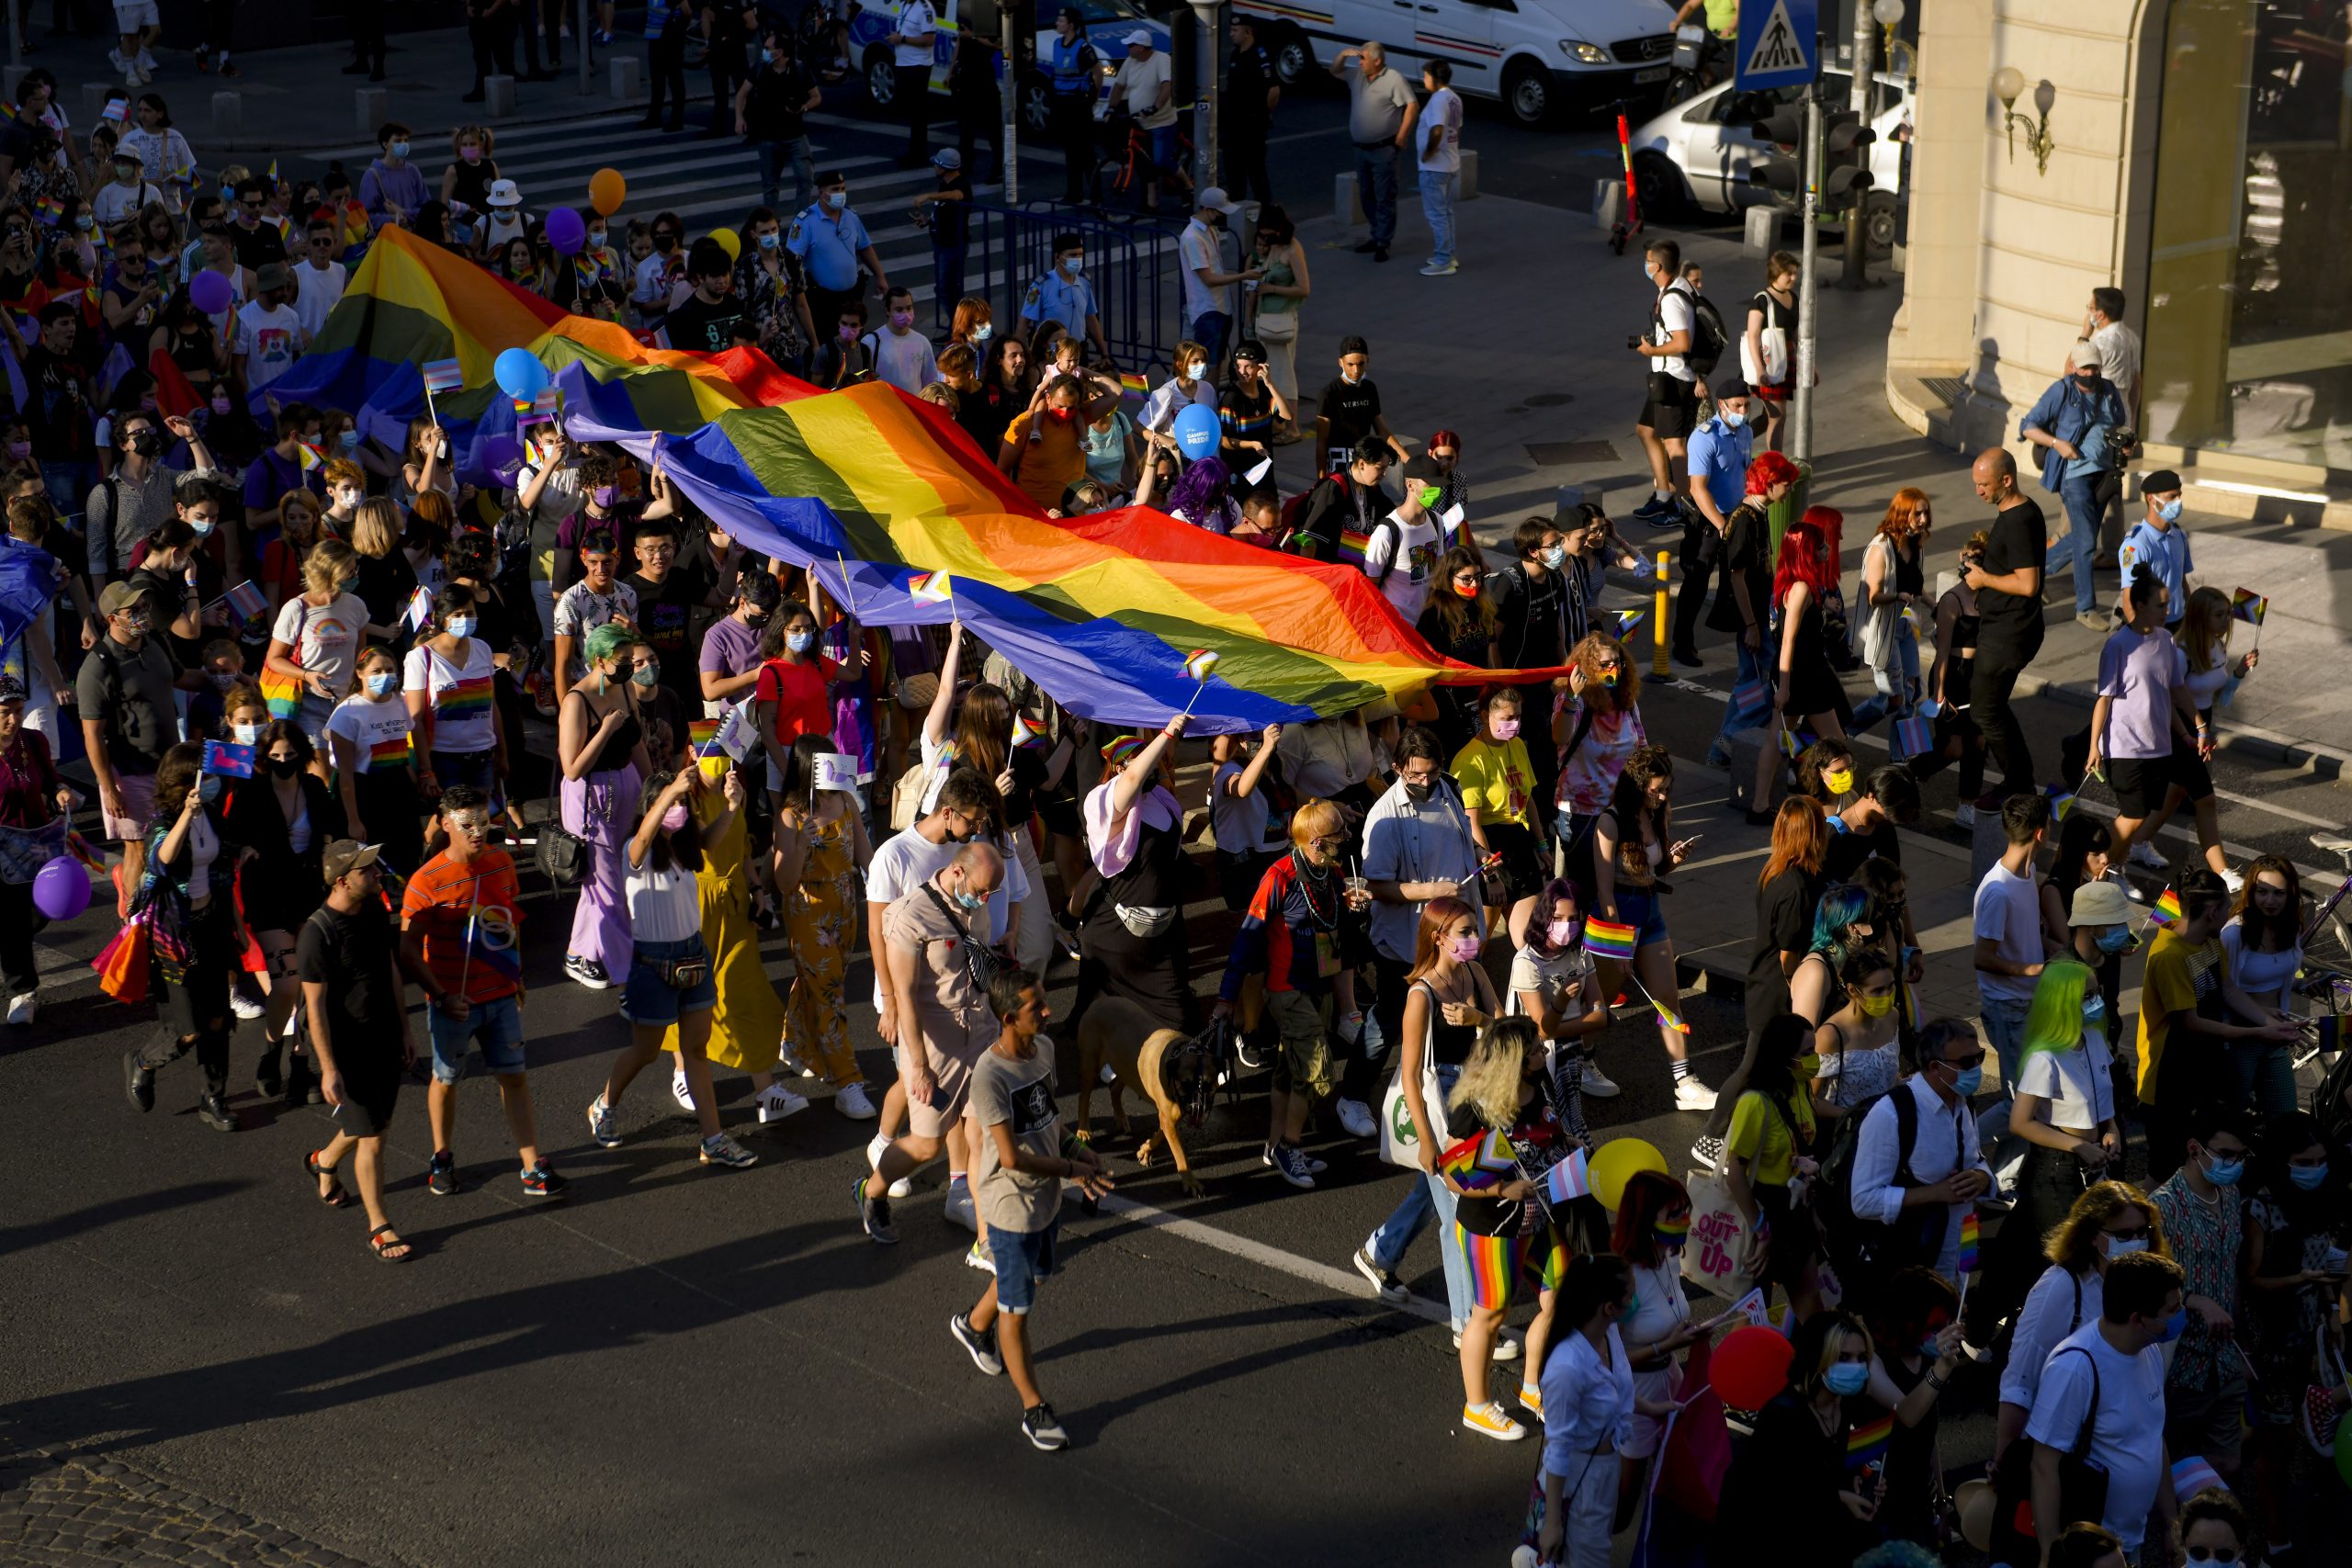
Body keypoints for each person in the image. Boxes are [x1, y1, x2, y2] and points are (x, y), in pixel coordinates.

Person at [948, 968, 1112, 1452]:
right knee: (1016, 1313)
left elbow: (1047, 1119)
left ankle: (973, 1325)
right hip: (1011, 1210)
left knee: (1031, 1281)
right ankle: (1033, 1409)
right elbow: (1012, 1157)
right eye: (1035, 1007)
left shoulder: (1043, 1050)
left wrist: (1077, 1150)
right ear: (1007, 1019)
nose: (1047, 1011)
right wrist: (1071, 1169)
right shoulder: (989, 1077)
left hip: (1046, 1201)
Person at [584, 767, 759, 1170]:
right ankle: (604, 1105)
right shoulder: (635, 852)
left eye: (683, 802)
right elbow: (643, 838)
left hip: (693, 956)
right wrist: (671, 792)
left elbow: (710, 839)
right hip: (652, 964)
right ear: (651, 805)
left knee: (696, 1051)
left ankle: (713, 1140)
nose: (679, 808)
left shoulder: (684, 850)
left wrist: (732, 806)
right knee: (645, 1051)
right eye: (671, 802)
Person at [400, 785, 563, 1199]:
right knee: (446, 1079)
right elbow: (408, 950)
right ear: (445, 823)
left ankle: (531, 1165)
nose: (478, 831)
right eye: (467, 824)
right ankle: (441, 1158)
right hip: (453, 1003)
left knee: (514, 1077)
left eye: (483, 821)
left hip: (500, 994)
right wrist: (441, 996)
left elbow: (507, 922)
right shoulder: (425, 882)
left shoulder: (502, 863)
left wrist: (517, 974)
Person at [1215, 797, 1370, 1189]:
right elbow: (1246, 940)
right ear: (1317, 842)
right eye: (1339, 834)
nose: (1346, 838)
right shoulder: (1279, 878)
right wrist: (1226, 999)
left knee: (1289, 1070)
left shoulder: (1331, 872)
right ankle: (1290, 1145)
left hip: (1319, 986)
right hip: (1288, 991)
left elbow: (1334, 923)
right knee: (1317, 1072)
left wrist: (1351, 907)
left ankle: (1274, 1145)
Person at [858, 842, 1007, 1244]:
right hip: (935, 1045)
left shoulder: (978, 902)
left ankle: (987, 1242)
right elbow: (905, 998)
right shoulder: (908, 917)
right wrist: (919, 1066)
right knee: (927, 1145)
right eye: (981, 891)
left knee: (982, 1137)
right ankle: (872, 1190)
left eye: (991, 893)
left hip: (981, 1033)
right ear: (957, 872)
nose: (985, 900)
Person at [1439, 1016, 1575, 1441]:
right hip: (1492, 1227)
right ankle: (1477, 1406)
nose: (1543, 1052)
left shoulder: (1538, 1084)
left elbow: (1546, 1128)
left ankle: (1532, 1387)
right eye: (1534, 1050)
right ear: (1513, 1061)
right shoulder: (1475, 1109)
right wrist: (1501, 1188)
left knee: (1562, 1294)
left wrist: (1566, 1144)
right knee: (1491, 1313)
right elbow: (1451, 1174)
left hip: (1538, 1215)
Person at [296, 840, 417, 1262]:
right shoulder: (316, 934)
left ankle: (324, 1161)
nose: (377, 874)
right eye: (367, 870)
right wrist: (328, 1068)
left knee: (376, 1121)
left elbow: (390, 969)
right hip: (349, 1048)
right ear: (342, 881)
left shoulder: (374, 911)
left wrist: (405, 1029)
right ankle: (379, 1226)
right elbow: (314, 1007)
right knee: (374, 1138)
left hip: (385, 1035)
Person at [1991, 1180, 2168, 1470]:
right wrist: (2003, 1459)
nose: (2137, 1241)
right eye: (2124, 1235)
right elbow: (2020, 1382)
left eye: (2142, 1232)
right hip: (2070, 1458)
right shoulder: (2061, 1287)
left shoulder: (2144, 1285)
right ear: (2092, 1236)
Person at [2136, 868, 2299, 1181]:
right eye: (2227, 907)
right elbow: (2191, 1023)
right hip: (2168, 1080)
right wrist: (2259, 1032)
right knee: (2164, 1170)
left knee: (2200, 1161)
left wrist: (2270, 1021)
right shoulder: (2169, 955)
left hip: (2202, 1070)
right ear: (2212, 912)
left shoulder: (2208, 942)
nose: (2231, 914)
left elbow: (2229, 989)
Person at [2022, 1249, 2185, 1562]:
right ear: (2137, 1319)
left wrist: (2171, 1523)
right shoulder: (2074, 1368)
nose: (2181, 1315)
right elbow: (2043, 1467)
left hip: (2131, 1544)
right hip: (2091, 1556)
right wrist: (2049, 1554)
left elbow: (2153, 1438)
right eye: (2172, 1309)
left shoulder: (2149, 1348)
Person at [120, 742, 243, 1133]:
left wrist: (238, 928)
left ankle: (214, 1097)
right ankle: (143, 1061)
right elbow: (162, 859)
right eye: (205, 778)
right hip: (175, 935)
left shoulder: (213, 817)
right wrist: (187, 816)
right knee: (188, 1028)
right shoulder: (161, 821)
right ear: (183, 783)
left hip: (213, 925)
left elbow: (223, 872)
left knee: (218, 1018)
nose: (212, 784)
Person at [222, 718, 343, 1101]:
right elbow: (230, 835)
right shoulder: (252, 792)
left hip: (309, 892)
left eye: (290, 755)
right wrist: (243, 849)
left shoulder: (314, 788)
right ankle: (272, 1049)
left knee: (311, 985)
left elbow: (332, 827)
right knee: (287, 984)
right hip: (268, 894)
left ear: (302, 755)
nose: (283, 761)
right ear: (265, 757)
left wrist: (329, 846)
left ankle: (301, 1061)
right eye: (275, 756)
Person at [2243, 1112, 2350, 1543]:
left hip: (2309, 1338)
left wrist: (2331, 1310)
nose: (2315, 1169)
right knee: (2279, 1442)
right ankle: (2273, 1534)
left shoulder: (2322, 1201)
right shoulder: (2261, 1208)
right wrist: (2298, 1280)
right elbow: (2251, 1281)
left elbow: (2324, 1267)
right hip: (2272, 1341)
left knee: (2302, 1437)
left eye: (2320, 1161)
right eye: (2304, 1162)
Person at [1713, 1311, 1894, 1566]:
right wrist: (1838, 1498)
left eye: (1861, 1358)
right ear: (1817, 1357)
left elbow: (1822, 1473)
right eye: (1843, 1357)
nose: (1855, 1367)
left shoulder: (1843, 1403)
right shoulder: (1782, 1417)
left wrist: (1857, 1481)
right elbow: (1776, 1497)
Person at [1529, 1254, 1677, 1565]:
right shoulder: (1566, 1368)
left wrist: (1655, 1408)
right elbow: (1558, 1448)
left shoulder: (1607, 1334)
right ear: (1609, 1307)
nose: (1635, 1301)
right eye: (1631, 1296)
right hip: (1579, 1485)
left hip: (1606, 1471)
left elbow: (1618, 1390)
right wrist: (1553, 1523)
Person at [1589, 743, 1709, 1108]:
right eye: (1656, 789)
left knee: (1668, 999)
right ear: (1637, 785)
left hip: (1649, 911)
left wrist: (1673, 860)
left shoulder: (1658, 814)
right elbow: (1604, 889)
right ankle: (1580, 1062)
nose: (1662, 796)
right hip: (1614, 918)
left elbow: (1654, 870)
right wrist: (1618, 947)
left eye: (1666, 789)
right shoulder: (1610, 821)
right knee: (1600, 1003)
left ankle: (1684, 1081)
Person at [771, 733, 875, 1115]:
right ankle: (847, 1083)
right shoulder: (790, 817)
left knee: (821, 984)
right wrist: (800, 845)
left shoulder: (844, 800)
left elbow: (865, 854)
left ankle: (795, 1041)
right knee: (829, 994)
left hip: (845, 908)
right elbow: (784, 882)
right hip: (807, 914)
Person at [2150, 1105, 2254, 1482]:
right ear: (2195, 1149)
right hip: (2182, 1365)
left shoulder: (2230, 1194)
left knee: (2227, 1463)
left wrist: (2242, 1342)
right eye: (2226, 1154)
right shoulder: (2163, 1206)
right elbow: (2148, 1282)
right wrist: (2195, 1300)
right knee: (2167, 1464)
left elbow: (2232, 1270)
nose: (2234, 1164)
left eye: (2240, 1156)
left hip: (2225, 1358)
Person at [2088, 568, 2207, 894]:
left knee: (2139, 816)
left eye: (2168, 604)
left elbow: (2174, 690)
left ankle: (2114, 870)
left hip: (2159, 745)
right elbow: (2104, 699)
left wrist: (2193, 728)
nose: (2167, 611)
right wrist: (2094, 746)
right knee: (2133, 815)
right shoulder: (2118, 645)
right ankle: (2101, 874)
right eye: (2161, 605)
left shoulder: (2166, 640)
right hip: (2125, 746)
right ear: (2140, 605)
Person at [1852, 1017, 1994, 1288]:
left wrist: (1982, 1178)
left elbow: (1975, 1160)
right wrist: (1935, 1193)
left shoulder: (1963, 1103)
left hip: (1963, 1241)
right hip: (1914, 1264)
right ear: (1935, 1067)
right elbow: (1863, 1200)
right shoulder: (1891, 1114)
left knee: (1957, 1304)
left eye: (1980, 1057)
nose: (1977, 1068)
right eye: (1967, 1062)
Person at [81, 579, 189, 908]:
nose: (143, 614)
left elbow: (181, 678)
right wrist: (109, 788)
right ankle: (132, 921)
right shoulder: (98, 666)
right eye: (133, 611)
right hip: (130, 772)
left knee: (172, 841)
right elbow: (92, 735)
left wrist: (226, 679)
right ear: (112, 619)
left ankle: (158, 912)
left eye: (144, 607)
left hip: (168, 767)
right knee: (139, 848)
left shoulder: (155, 641)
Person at [558, 622, 654, 991]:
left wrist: (653, 786)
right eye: (623, 660)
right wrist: (605, 730)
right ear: (599, 661)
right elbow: (572, 768)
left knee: (613, 878)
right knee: (606, 884)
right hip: (590, 797)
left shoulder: (626, 688)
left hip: (627, 786)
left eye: (631, 659)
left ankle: (579, 953)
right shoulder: (576, 701)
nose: (630, 666)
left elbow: (637, 743)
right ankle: (624, 965)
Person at [1724, 1014, 1826, 1318]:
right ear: (1783, 1055)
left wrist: (1814, 1217)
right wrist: (1761, 1229)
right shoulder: (1755, 1103)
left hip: (1796, 1209)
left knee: (1811, 1302)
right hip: (1766, 1210)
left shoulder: (1801, 1086)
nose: (1815, 1059)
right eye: (1807, 1052)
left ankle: (1813, 1349)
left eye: (1814, 1050)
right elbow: (1735, 1174)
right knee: (1753, 1313)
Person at [1707, 451, 1800, 779]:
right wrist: (1751, 625)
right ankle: (1731, 739)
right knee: (1771, 685)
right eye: (1786, 484)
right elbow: (1737, 577)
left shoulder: (1758, 513)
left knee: (1748, 684)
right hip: (1751, 617)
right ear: (1770, 483)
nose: (1789, 490)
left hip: (1759, 613)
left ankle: (1721, 748)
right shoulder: (1745, 519)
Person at [1964, 448, 2049, 806]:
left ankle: (2019, 782)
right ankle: (2019, 779)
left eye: (1984, 485)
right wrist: (1984, 561)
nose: (1978, 491)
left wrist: (1983, 579)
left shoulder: (2018, 521)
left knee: (1985, 710)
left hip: (2008, 632)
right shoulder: (2020, 511)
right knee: (1992, 705)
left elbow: (2028, 584)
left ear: (2007, 480)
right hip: (2006, 628)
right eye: (1976, 484)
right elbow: (2014, 563)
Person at [2023, 350, 2131, 629]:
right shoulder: (2061, 391)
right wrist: (2057, 444)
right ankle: (2085, 608)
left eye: (2094, 367)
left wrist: (2125, 445)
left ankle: (2031, 572)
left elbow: (2119, 424)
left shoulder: (2108, 390)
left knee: (2083, 536)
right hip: (2074, 475)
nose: (2090, 373)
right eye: (2084, 368)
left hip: (2105, 474)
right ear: (2073, 367)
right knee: (2086, 543)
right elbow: (2027, 426)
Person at [1748, 518, 1847, 819]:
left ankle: (1760, 805)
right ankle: (1838, 806)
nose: (1827, 550)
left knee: (1778, 740)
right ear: (1807, 551)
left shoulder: (1793, 584)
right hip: (1804, 677)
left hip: (1799, 675)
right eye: (1821, 546)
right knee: (1837, 744)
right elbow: (1788, 641)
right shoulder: (1802, 588)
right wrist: (1785, 688)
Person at [1552, 633, 1648, 908]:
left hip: (1621, 811)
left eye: (1617, 663)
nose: (1613, 670)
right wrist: (1572, 696)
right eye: (1605, 665)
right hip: (1582, 815)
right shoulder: (1574, 701)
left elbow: (1642, 748)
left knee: (1617, 889)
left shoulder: (1625, 701)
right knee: (1584, 892)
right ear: (1586, 668)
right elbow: (1560, 737)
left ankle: (1610, 933)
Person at [0, 676, 74, 1024]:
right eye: (5, 712)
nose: (14, 719)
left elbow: (51, 778)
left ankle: (14, 952)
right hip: (2, 851)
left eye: (18, 710)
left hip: (37, 842)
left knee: (38, 913)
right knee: (13, 921)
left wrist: (60, 791)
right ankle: (23, 991)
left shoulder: (33, 740)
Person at [1671, 376, 1754, 668]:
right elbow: (1698, 488)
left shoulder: (1745, 432)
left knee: (1741, 579)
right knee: (1696, 584)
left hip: (1737, 516)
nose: (1743, 411)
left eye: (1746, 406)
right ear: (1722, 405)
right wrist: (1721, 525)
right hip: (1709, 522)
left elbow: (1745, 472)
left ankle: (1746, 638)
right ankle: (1683, 644)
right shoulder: (1705, 437)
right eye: (1737, 406)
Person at [2219, 856, 2304, 1114]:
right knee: (2233, 1118)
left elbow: (2275, 975)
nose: (2270, 901)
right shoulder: (2235, 933)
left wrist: (2302, 984)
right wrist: (2267, 1021)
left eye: (2279, 893)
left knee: (2286, 1117)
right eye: (2262, 892)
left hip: (2276, 1038)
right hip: (2241, 1040)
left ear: (2290, 894)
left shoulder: (2290, 926)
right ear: (2250, 891)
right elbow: (2224, 989)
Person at [1849, 490, 1932, 751]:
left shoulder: (1915, 544)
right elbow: (1873, 596)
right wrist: (1896, 596)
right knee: (1892, 699)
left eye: (1925, 513)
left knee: (1912, 693)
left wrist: (1935, 605)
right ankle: (1841, 729)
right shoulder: (1881, 548)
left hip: (1907, 625)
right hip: (1885, 629)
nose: (1923, 519)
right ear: (1901, 514)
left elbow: (1916, 585)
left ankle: (1903, 757)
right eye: (1917, 513)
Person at [1453, 685, 1542, 928]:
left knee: (1530, 933)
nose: (1515, 724)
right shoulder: (1470, 760)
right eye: (1507, 718)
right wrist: (1490, 874)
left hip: (1520, 841)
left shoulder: (1518, 745)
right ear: (1485, 716)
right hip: (1489, 847)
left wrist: (1541, 843)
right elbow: (1471, 823)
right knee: (1480, 935)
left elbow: (1528, 798)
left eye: (1518, 716)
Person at [1627, 240, 1702, 527]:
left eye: (1648, 261)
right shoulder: (1678, 287)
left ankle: (1682, 507)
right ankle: (1663, 495)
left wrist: (1652, 350)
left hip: (1673, 379)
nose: (1645, 265)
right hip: (1663, 377)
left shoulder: (1671, 299)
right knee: (1646, 430)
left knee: (1675, 445)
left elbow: (1682, 342)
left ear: (1656, 266)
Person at [1329, 42, 1416, 263]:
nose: (1359, 63)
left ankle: (1383, 243)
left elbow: (1412, 105)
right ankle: (1376, 235)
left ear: (1377, 61)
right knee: (1366, 194)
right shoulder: (1357, 76)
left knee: (1384, 196)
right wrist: (1342, 54)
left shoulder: (1393, 79)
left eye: (1363, 59)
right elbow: (1334, 71)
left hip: (1383, 149)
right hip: (1362, 149)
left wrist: (1402, 134)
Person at [786, 172, 887, 338]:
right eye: (835, 189)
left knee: (854, 341)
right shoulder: (805, 221)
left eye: (842, 189)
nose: (840, 193)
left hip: (852, 297)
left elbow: (865, 247)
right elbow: (793, 259)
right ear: (822, 193)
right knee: (827, 342)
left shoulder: (850, 216)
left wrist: (880, 276)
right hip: (822, 299)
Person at [1812, 945, 1903, 1126]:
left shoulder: (1892, 1017)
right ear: (1853, 990)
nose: (1887, 996)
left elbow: (1889, 1076)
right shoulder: (1831, 1036)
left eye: (1890, 986)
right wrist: (1855, 1116)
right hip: (1849, 1132)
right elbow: (1810, 1100)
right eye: (1878, 991)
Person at [1111, 30, 1178, 211]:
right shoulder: (1130, 62)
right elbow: (1119, 86)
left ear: (1141, 47)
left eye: (1131, 45)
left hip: (1160, 121)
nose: (1128, 48)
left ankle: (1187, 185)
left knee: (1161, 161)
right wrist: (1111, 107)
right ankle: (1151, 202)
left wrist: (1155, 107)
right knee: (1144, 163)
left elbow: (1167, 85)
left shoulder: (1161, 59)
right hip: (1140, 121)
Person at [1743, 250, 1799, 451]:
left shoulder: (1793, 297)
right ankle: (1776, 463)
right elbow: (1752, 336)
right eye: (1789, 274)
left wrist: (1809, 364)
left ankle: (1736, 441)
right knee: (1778, 416)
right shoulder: (1762, 300)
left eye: (1795, 273)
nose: (1794, 278)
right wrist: (1760, 369)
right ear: (1776, 273)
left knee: (1770, 417)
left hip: (1785, 361)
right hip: (1769, 363)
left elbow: (1795, 333)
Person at [1042, 11, 1099, 203]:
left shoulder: (1083, 47)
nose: (1057, 23)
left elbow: (1097, 72)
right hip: (1062, 103)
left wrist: (1093, 97)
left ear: (1071, 25)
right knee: (1070, 150)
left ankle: (1096, 195)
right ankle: (1074, 193)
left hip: (1078, 104)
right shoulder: (1056, 44)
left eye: (1061, 20)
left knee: (1086, 152)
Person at [1415, 60, 1464, 277]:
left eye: (1426, 76)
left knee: (1436, 215)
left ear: (1435, 78)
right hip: (1451, 164)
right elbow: (1457, 130)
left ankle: (1443, 260)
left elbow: (1437, 130)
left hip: (1435, 167)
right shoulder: (1454, 98)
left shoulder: (1437, 100)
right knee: (1446, 213)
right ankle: (1449, 255)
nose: (1424, 79)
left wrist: (1428, 152)